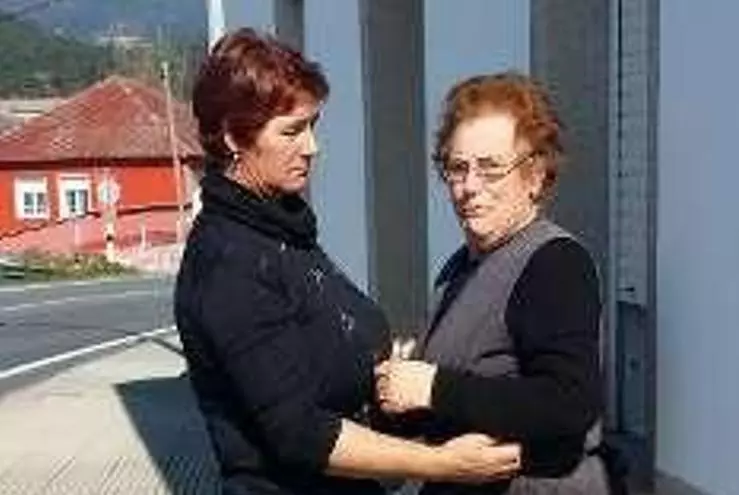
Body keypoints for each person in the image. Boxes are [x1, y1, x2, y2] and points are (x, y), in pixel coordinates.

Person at [174, 28, 521, 495]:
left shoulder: (282, 230)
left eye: (312, 125)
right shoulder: (228, 265)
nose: (312, 146)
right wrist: (444, 464)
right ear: (234, 136)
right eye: (292, 131)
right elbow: (301, 433)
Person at [375, 72, 611, 494]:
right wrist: (398, 398)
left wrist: (433, 387)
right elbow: (461, 404)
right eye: (457, 168)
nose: (469, 187)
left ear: (535, 175)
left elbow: (569, 402)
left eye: (490, 169)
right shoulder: (460, 267)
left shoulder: (554, 263)